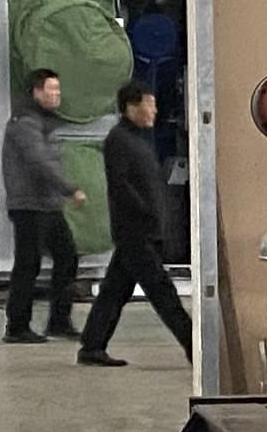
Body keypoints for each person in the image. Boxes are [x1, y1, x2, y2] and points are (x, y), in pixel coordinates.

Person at [77, 79, 194, 367]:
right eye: (149, 105)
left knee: (114, 291)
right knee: (163, 291)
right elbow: (122, 187)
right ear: (131, 107)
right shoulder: (118, 140)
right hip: (135, 232)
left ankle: (92, 345)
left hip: (143, 231)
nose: (154, 111)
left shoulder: (137, 141)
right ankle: (195, 345)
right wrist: (146, 215)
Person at [0, 65, 85, 343]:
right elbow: (39, 161)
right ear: (36, 92)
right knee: (28, 265)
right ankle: (17, 326)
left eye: (58, 89)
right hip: (29, 205)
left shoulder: (44, 121)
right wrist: (70, 189)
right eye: (52, 89)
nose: (57, 94)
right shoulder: (25, 123)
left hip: (48, 204)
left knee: (67, 257)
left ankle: (59, 321)